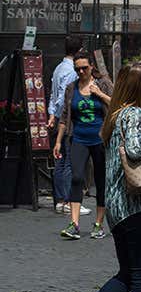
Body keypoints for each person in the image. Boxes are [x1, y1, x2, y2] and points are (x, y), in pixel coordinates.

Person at [64, 63, 141, 292]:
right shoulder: (134, 114)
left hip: (118, 208)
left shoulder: (117, 114)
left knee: (127, 274)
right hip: (136, 206)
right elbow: (136, 149)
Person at [55, 53, 113, 240]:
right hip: (78, 138)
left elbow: (117, 105)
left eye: (84, 68)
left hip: (100, 140)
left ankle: (98, 224)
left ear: (92, 67)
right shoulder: (72, 88)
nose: (81, 71)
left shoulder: (102, 84)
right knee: (77, 177)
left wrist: (100, 94)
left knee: (100, 180)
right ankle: (74, 224)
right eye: (77, 69)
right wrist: (58, 141)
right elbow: (65, 116)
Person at [49, 36, 86, 215]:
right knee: (69, 162)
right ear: (79, 51)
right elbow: (64, 98)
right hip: (68, 121)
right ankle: (67, 202)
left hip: (59, 119)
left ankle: (60, 200)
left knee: (61, 161)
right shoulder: (71, 71)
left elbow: (53, 95)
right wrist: (63, 116)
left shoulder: (58, 68)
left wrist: (52, 115)